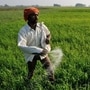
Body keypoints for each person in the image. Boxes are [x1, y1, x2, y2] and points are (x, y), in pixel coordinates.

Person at [18, 7, 54, 84]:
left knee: (49, 67)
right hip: (31, 54)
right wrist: (38, 51)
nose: (37, 17)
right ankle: (27, 83)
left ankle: (52, 83)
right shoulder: (23, 31)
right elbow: (21, 45)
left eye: (37, 15)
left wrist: (48, 39)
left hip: (43, 51)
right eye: (33, 15)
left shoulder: (41, 26)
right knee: (31, 71)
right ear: (28, 17)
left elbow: (48, 34)